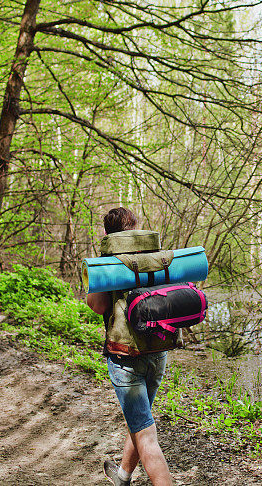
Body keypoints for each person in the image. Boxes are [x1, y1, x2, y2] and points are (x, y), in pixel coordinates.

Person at [87, 207, 173, 486]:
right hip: (158, 351)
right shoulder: (154, 257)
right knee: (141, 420)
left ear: (106, 234)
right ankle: (123, 475)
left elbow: (98, 305)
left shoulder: (107, 262)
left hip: (126, 357)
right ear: (136, 228)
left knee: (145, 433)